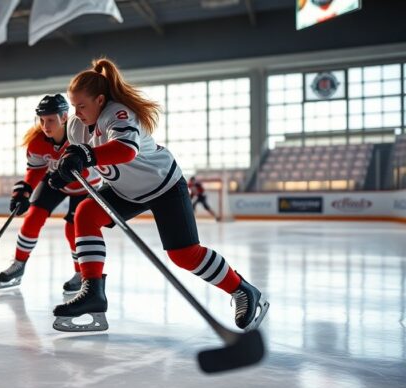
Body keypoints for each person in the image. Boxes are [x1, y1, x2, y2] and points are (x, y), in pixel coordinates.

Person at [49, 58, 269, 332]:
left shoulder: (118, 114)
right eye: (73, 106)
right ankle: (93, 293)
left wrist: (86, 155)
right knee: (85, 214)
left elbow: (125, 150)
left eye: (82, 106)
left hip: (163, 185)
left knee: (184, 255)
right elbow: (83, 159)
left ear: (101, 100)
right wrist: (66, 169)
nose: (77, 112)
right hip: (125, 191)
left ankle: (243, 290)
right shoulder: (76, 126)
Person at [0, 94, 102, 294]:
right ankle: (18, 264)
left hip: (86, 184)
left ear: (64, 117)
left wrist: (65, 174)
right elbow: (36, 169)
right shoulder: (37, 141)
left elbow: (89, 168)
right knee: (33, 217)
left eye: (50, 120)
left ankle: (81, 273)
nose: (45, 125)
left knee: (73, 229)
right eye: (42, 120)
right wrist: (25, 189)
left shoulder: (80, 134)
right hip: (56, 180)